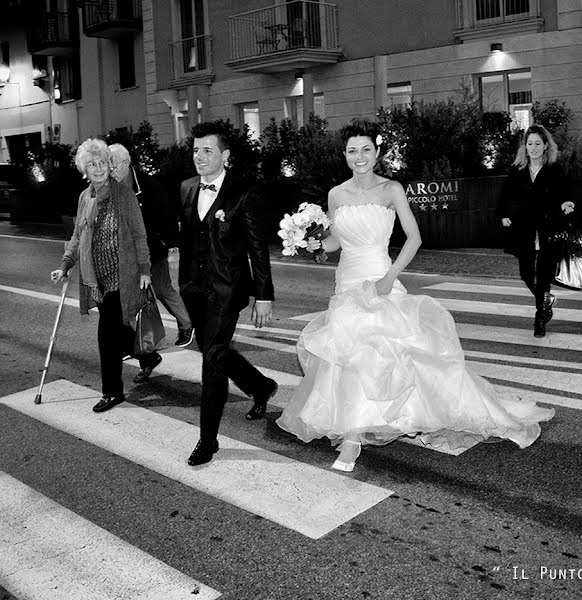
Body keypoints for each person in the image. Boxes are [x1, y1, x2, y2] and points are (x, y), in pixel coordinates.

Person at [276, 119, 554, 472]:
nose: (359, 157)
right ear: (344, 155)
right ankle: (352, 428)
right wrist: (315, 244)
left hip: (381, 278)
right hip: (346, 281)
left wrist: (388, 278)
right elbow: (336, 242)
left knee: (382, 353)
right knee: (347, 356)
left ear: (376, 153)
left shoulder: (391, 189)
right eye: (352, 151)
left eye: (365, 150)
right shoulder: (336, 194)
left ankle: (353, 439)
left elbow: (414, 238)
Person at [177, 121, 278, 466]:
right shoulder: (187, 188)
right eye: (195, 151)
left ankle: (208, 440)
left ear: (225, 155)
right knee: (215, 352)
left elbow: (257, 248)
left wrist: (263, 295)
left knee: (212, 360)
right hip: (194, 290)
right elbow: (188, 242)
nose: (200, 157)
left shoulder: (243, 193)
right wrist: (181, 285)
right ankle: (260, 386)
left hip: (227, 290)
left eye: (207, 151)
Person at [50, 138, 151, 412]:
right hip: (97, 278)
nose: (98, 168)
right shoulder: (85, 197)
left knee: (107, 335)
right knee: (118, 331)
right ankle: (147, 355)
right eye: (92, 164)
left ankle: (112, 392)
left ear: (109, 164)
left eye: (102, 162)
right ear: (84, 168)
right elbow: (77, 234)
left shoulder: (124, 195)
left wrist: (144, 269)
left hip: (122, 273)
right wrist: (65, 264)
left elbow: (140, 235)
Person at [109, 144, 195, 384]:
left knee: (162, 288)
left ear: (126, 164)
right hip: (123, 255)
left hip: (151, 250)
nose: (110, 170)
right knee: (125, 302)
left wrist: (170, 245)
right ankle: (140, 351)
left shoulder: (147, 185)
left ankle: (186, 325)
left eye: (113, 166)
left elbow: (167, 215)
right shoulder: (109, 185)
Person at [498, 124, 575, 337]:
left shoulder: (554, 169)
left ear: (545, 146)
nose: (533, 148)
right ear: (525, 146)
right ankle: (546, 300)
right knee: (525, 273)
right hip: (524, 228)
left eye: (537, 144)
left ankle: (540, 319)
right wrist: (503, 214)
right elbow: (505, 194)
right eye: (529, 143)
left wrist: (567, 202)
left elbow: (566, 191)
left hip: (548, 227)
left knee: (542, 274)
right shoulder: (517, 169)